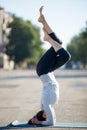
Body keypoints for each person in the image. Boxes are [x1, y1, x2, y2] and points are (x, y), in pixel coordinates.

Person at [28, 6, 71, 126]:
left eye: (43, 115)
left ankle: (47, 36)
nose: (46, 114)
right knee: (62, 50)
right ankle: (43, 22)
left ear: (42, 115)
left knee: (62, 51)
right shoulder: (50, 105)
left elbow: (50, 123)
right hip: (48, 70)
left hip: (43, 70)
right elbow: (52, 121)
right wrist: (39, 120)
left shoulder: (45, 104)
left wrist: (35, 121)